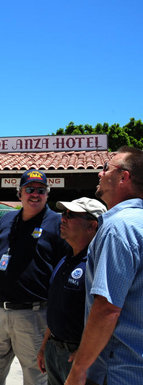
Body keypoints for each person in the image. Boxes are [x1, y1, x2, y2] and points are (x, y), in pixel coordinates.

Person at [0, 169, 70, 385]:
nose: (35, 194)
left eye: (41, 190)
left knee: (37, 378)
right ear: (19, 193)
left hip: (34, 317)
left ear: (47, 194)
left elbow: (66, 272)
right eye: (30, 189)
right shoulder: (6, 220)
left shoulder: (58, 224)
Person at [66, 147, 143, 385]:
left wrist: (79, 369)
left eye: (106, 168)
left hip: (117, 370)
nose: (100, 174)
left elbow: (107, 309)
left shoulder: (118, 227)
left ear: (123, 177)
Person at [37, 198, 106, 385]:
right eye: (63, 214)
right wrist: (45, 346)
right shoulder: (65, 258)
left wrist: (84, 355)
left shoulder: (97, 263)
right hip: (54, 350)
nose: (63, 219)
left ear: (91, 226)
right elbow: (57, 305)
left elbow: (105, 315)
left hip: (76, 356)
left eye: (70, 215)